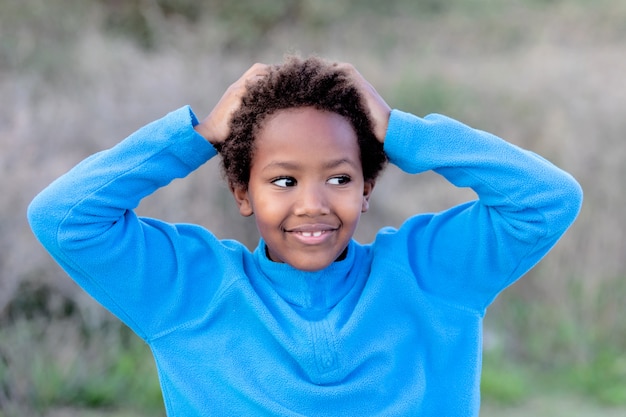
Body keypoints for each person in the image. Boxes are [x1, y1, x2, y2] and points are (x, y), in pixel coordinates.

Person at [27, 55, 583, 416]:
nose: (312, 204)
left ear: (367, 187)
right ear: (243, 193)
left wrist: (401, 132)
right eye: (283, 180)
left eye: (340, 178)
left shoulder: (431, 274)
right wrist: (197, 137)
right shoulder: (190, 290)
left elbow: (547, 199)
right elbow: (63, 217)